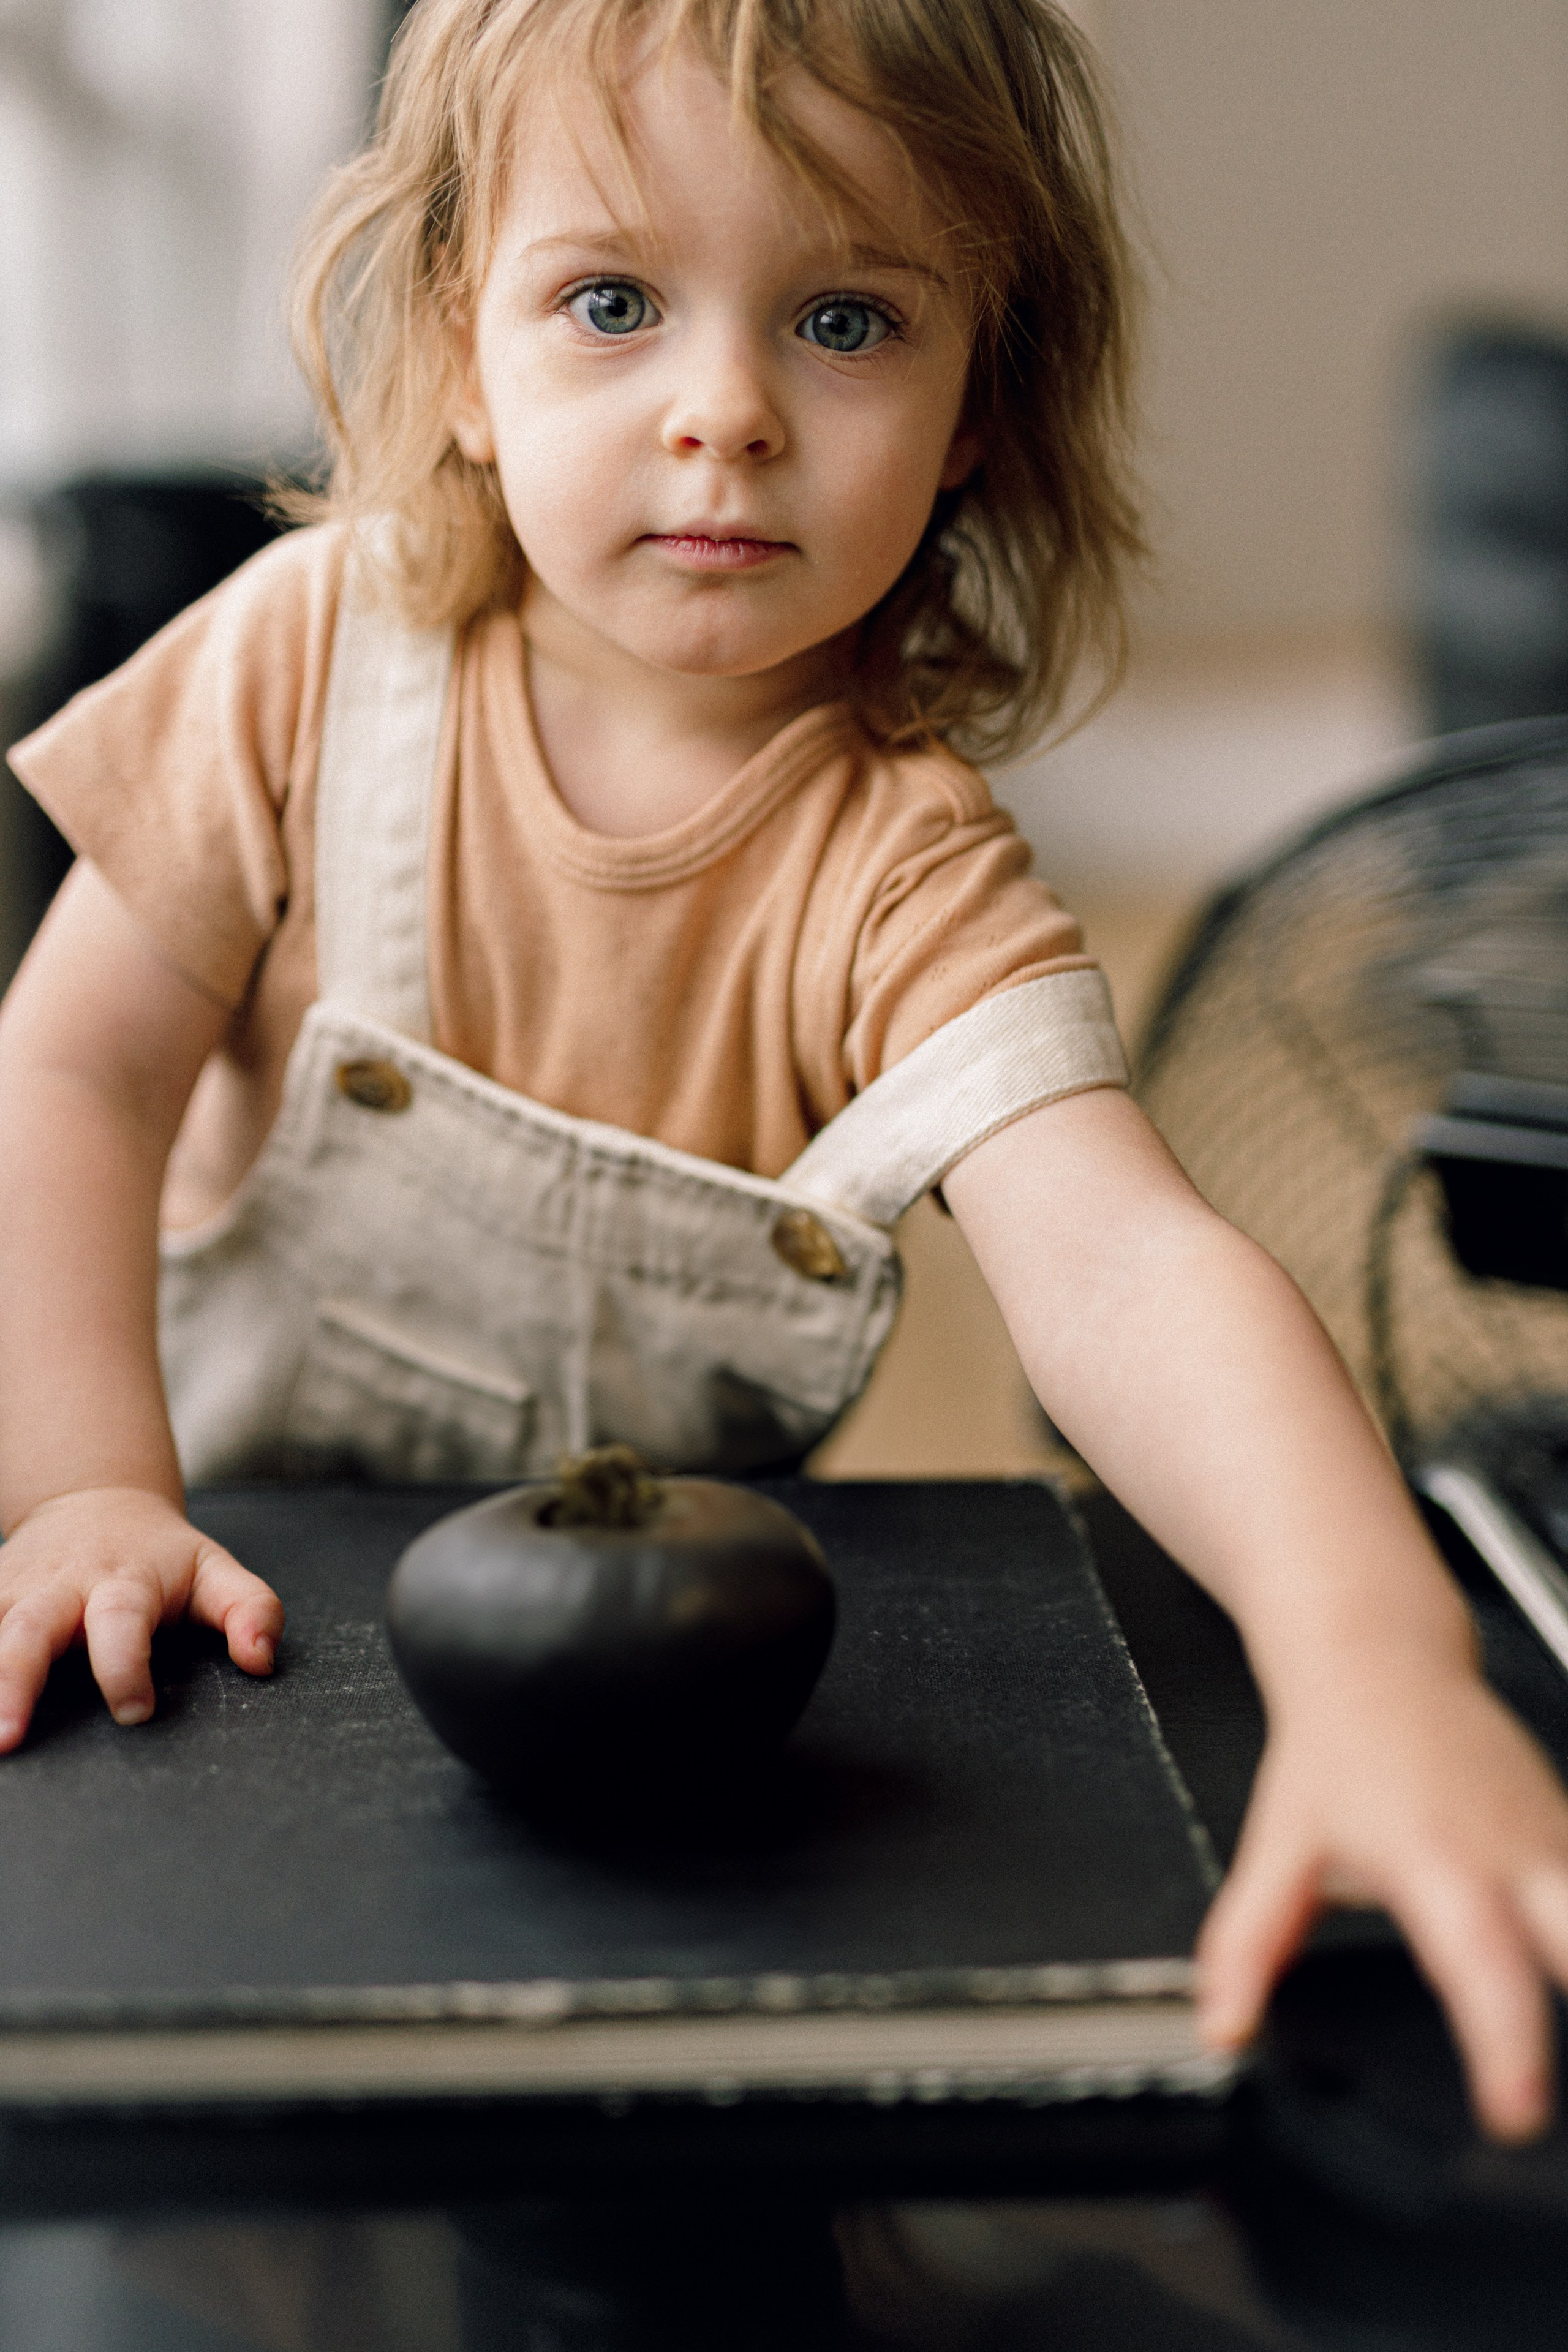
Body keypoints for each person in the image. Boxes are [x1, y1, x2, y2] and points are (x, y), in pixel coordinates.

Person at [1, 0, 1566, 2145]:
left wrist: (1377, 1661)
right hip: (227, 1618)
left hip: (665, 1709)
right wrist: (89, 1485)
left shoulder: (901, 873)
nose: (723, 412)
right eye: (615, 303)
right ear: (462, 344)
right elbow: (69, 1076)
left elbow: (1128, 1270)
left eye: (843, 318)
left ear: (979, 412)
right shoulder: (298, 664)